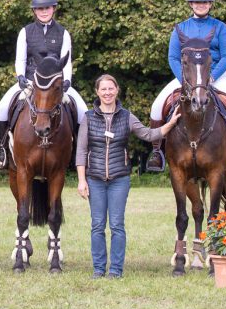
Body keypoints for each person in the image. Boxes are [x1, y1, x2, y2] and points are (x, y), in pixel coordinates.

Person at [77, 74, 181, 278]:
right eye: (103, 89)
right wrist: (82, 180)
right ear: (97, 92)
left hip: (119, 180)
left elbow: (149, 135)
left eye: (111, 88)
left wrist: (171, 123)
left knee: (117, 225)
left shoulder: (127, 116)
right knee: (97, 225)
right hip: (95, 179)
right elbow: (81, 150)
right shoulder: (88, 118)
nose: (107, 92)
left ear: (117, 90)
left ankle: (115, 270)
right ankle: (98, 269)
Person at [145, 0, 226, 174]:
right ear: (191, 4)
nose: (201, 5)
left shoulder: (220, 27)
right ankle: (156, 153)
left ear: (210, 4)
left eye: (205, 2)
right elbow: (173, 58)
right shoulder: (181, 28)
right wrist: (185, 80)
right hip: (187, 78)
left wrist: (212, 77)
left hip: (216, 76)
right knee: (156, 106)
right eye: (197, 2)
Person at [0, 0, 88, 170]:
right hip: (32, 82)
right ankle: (2, 150)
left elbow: (67, 61)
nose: (44, 11)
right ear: (34, 11)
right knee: (1, 109)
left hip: (57, 84)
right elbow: (21, 59)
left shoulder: (63, 33)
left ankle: (80, 155)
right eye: (40, 9)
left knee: (83, 112)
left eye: (47, 8)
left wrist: (67, 82)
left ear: (53, 9)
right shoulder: (25, 32)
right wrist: (20, 76)